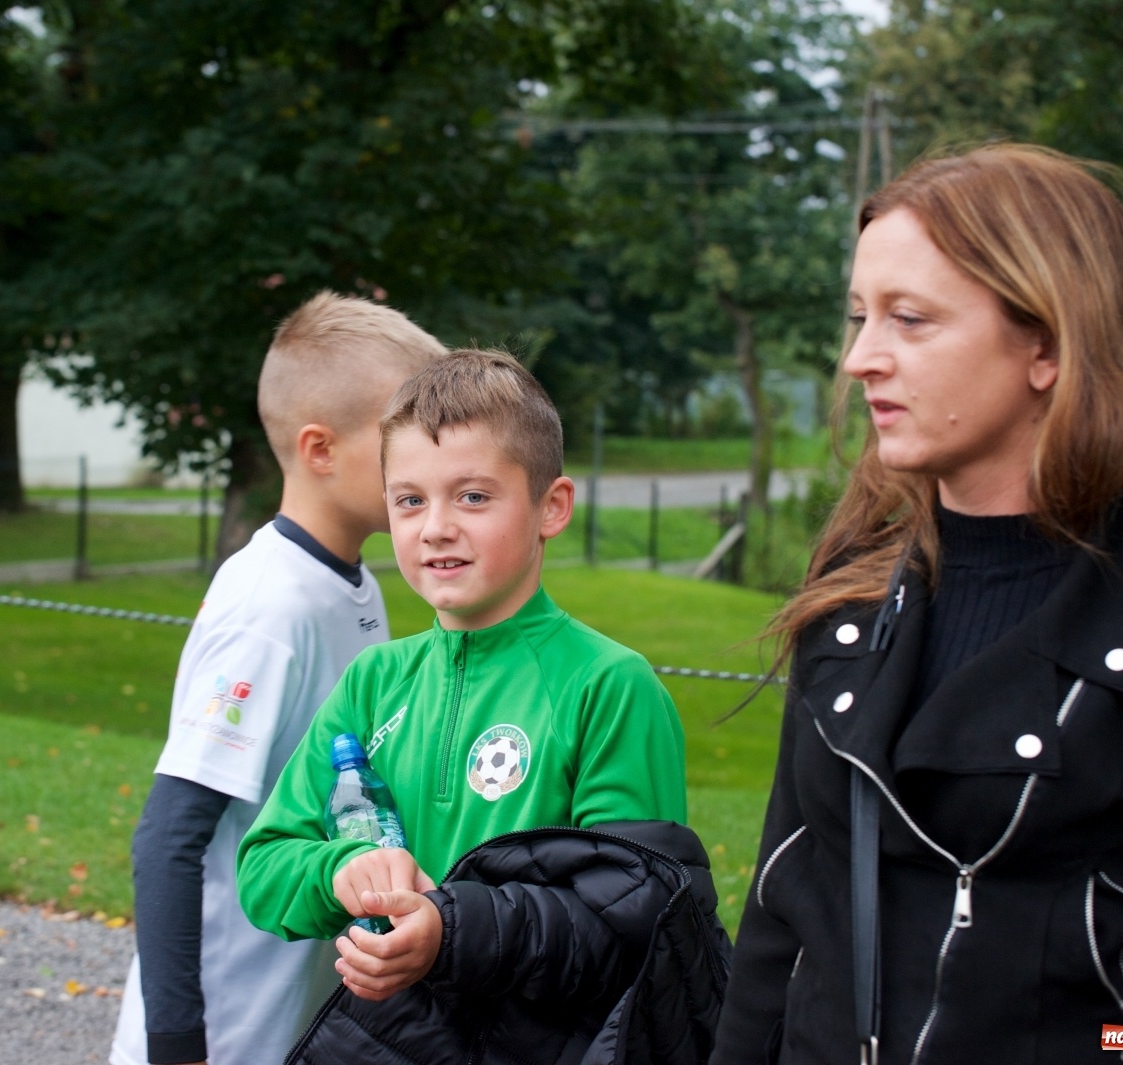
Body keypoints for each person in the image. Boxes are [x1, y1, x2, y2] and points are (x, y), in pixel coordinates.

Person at [710, 144, 1123, 1065]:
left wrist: (1108, 1045)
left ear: (1047, 342)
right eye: (859, 317)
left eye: (910, 320)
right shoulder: (852, 584)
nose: (859, 360)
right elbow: (779, 926)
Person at [237, 349, 731, 1064]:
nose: (435, 526)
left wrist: (449, 932)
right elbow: (263, 866)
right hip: (391, 1041)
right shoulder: (373, 680)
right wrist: (340, 872)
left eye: (472, 496)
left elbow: (633, 926)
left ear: (550, 506)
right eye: (410, 499)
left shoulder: (610, 685)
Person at [109, 292, 446, 1065]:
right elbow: (168, 838)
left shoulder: (351, 586)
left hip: (293, 1025)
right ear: (320, 449)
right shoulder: (271, 604)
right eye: (399, 442)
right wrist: (175, 1042)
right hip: (222, 1035)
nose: (424, 463)